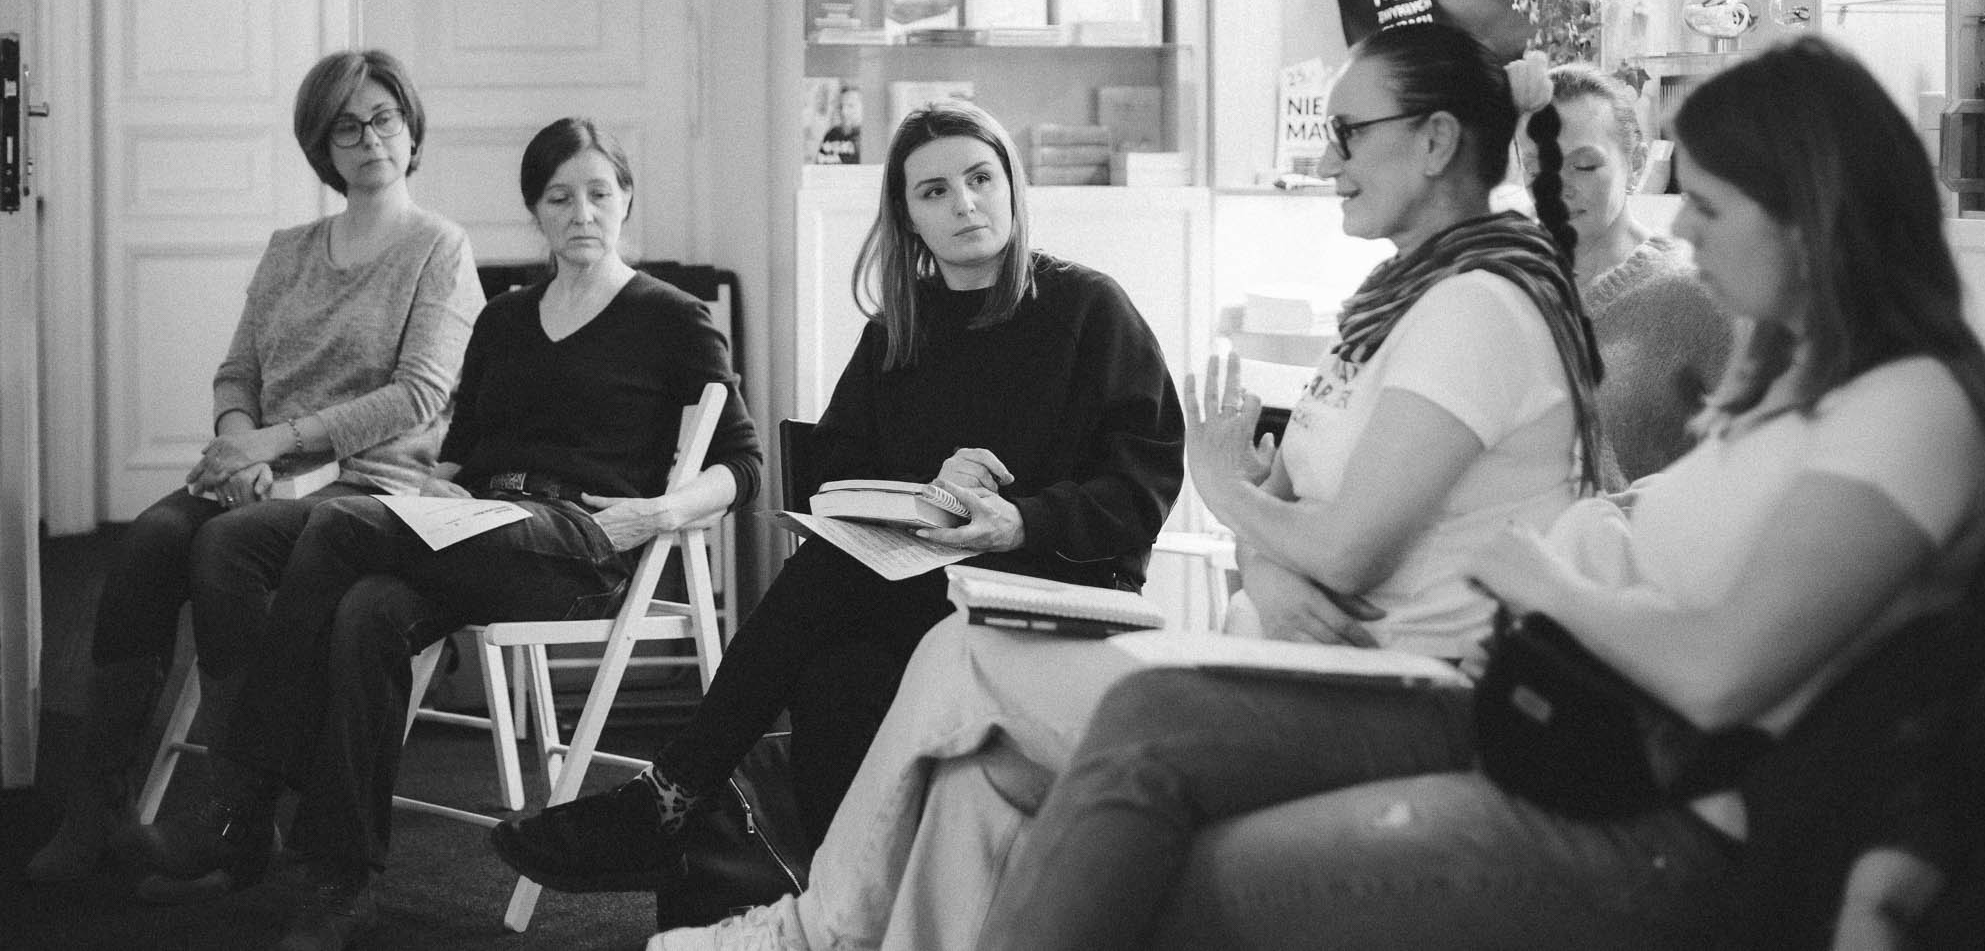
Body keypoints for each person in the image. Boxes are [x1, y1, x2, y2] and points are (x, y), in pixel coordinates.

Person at [964, 34, 1985, 951]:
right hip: (1556, 728)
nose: (1686, 232)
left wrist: (1544, 578)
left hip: (1655, 813)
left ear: (1810, 212)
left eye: (1708, 205)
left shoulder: (1911, 406)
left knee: (1183, 858)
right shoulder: (1789, 387)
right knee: (1120, 728)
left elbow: (1717, 672)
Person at [651, 18, 1609, 950]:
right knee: (964, 772)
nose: (1327, 160)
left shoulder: (1473, 308)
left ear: (1435, 141)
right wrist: (1267, 559)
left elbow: (1330, 541)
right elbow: (1295, 526)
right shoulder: (1395, 307)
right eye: (935, 191)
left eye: (1348, 132)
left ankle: (802, 925)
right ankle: (800, 902)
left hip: (1385, 677)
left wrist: (1224, 491)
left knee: (954, 655)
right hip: (1295, 645)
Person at [491, 98, 1185, 895]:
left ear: (1011, 185)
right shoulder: (897, 330)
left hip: (1058, 583)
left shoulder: (1089, 309)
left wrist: (1021, 519)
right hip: (926, 587)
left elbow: (1142, 487)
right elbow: (837, 484)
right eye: (934, 191)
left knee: (825, 579)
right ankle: (840, 899)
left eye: (980, 178)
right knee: (833, 673)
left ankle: (672, 794)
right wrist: (931, 488)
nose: (964, 203)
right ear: (908, 216)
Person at [116, 117, 762, 951]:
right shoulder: (507, 318)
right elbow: (462, 451)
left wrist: (659, 512)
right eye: (559, 197)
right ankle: (341, 882)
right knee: (357, 604)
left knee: (342, 524)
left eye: (599, 193)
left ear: (626, 199)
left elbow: (742, 462)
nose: (582, 213)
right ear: (534, 209)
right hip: (478, 522)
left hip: (581, 539)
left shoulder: (672, 317)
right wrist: (434, 490)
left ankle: (240, 801)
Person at [27, 50, 483, 890]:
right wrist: (241, 442)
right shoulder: (290, 249)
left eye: (384, 117)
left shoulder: (440, 248)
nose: (370, 138)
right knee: (149, 541)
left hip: (370, 479)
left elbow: (418, 394)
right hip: (264, 468)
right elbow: (238, 371)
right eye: (346, 126)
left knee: (224, 548)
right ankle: (97, 805)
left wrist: (276, 443)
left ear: (411, 126)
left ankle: (240, 813)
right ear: (322, 145)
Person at [1525, 62, 1729, 485]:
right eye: (1536, 167)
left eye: (1583, 166)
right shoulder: (1507, 290)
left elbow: (1762, 461)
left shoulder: (1694, 293)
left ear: (1636, 163)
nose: (1555, 186)